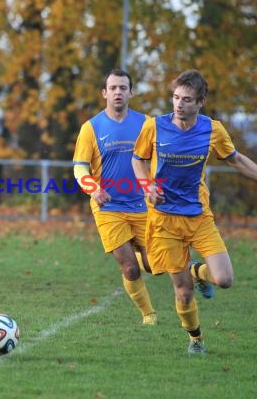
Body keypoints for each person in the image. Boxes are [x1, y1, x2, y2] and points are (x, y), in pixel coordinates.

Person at [131, 69, 257, 355]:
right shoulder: (154, 126)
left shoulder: (212, 130)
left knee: (224, 280)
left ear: (200, 102)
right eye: (175, 97)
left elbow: (236, 160)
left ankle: (198, 272)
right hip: (164, 220)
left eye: (187, 99)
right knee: (183, 292)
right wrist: (147, 187)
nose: (179, 104)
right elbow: (138, 160)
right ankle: (196, 339)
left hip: (199, 218)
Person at [73, 68, 158, 326]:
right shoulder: (91, 128)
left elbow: (158, 160)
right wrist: (94, 188)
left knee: (156, 265)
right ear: (104, 93)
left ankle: (197, 272)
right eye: (113, 88)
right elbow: (79, 167)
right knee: (130, 267)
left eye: (123, 87)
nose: (118, 92)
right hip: (108, 207)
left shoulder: (147, 124)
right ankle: (149, 315)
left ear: (131, 92)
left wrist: (156, 187)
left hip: (142, 206)